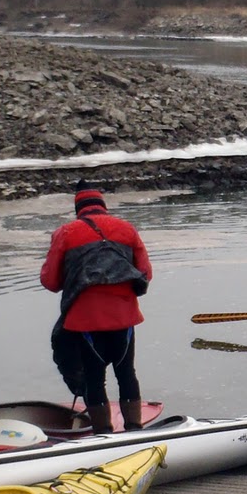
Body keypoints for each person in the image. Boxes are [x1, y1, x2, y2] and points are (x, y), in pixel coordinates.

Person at [40, 182, 152, 433]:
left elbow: (50, 281)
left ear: (78, 208)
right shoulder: (127, 229)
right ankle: (134, 429)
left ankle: (103, 435)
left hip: (85, 320)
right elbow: (145, 274)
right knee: (126, 372)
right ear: (103, 205)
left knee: (93, 378)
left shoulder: (65, 233)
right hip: (124, 317)